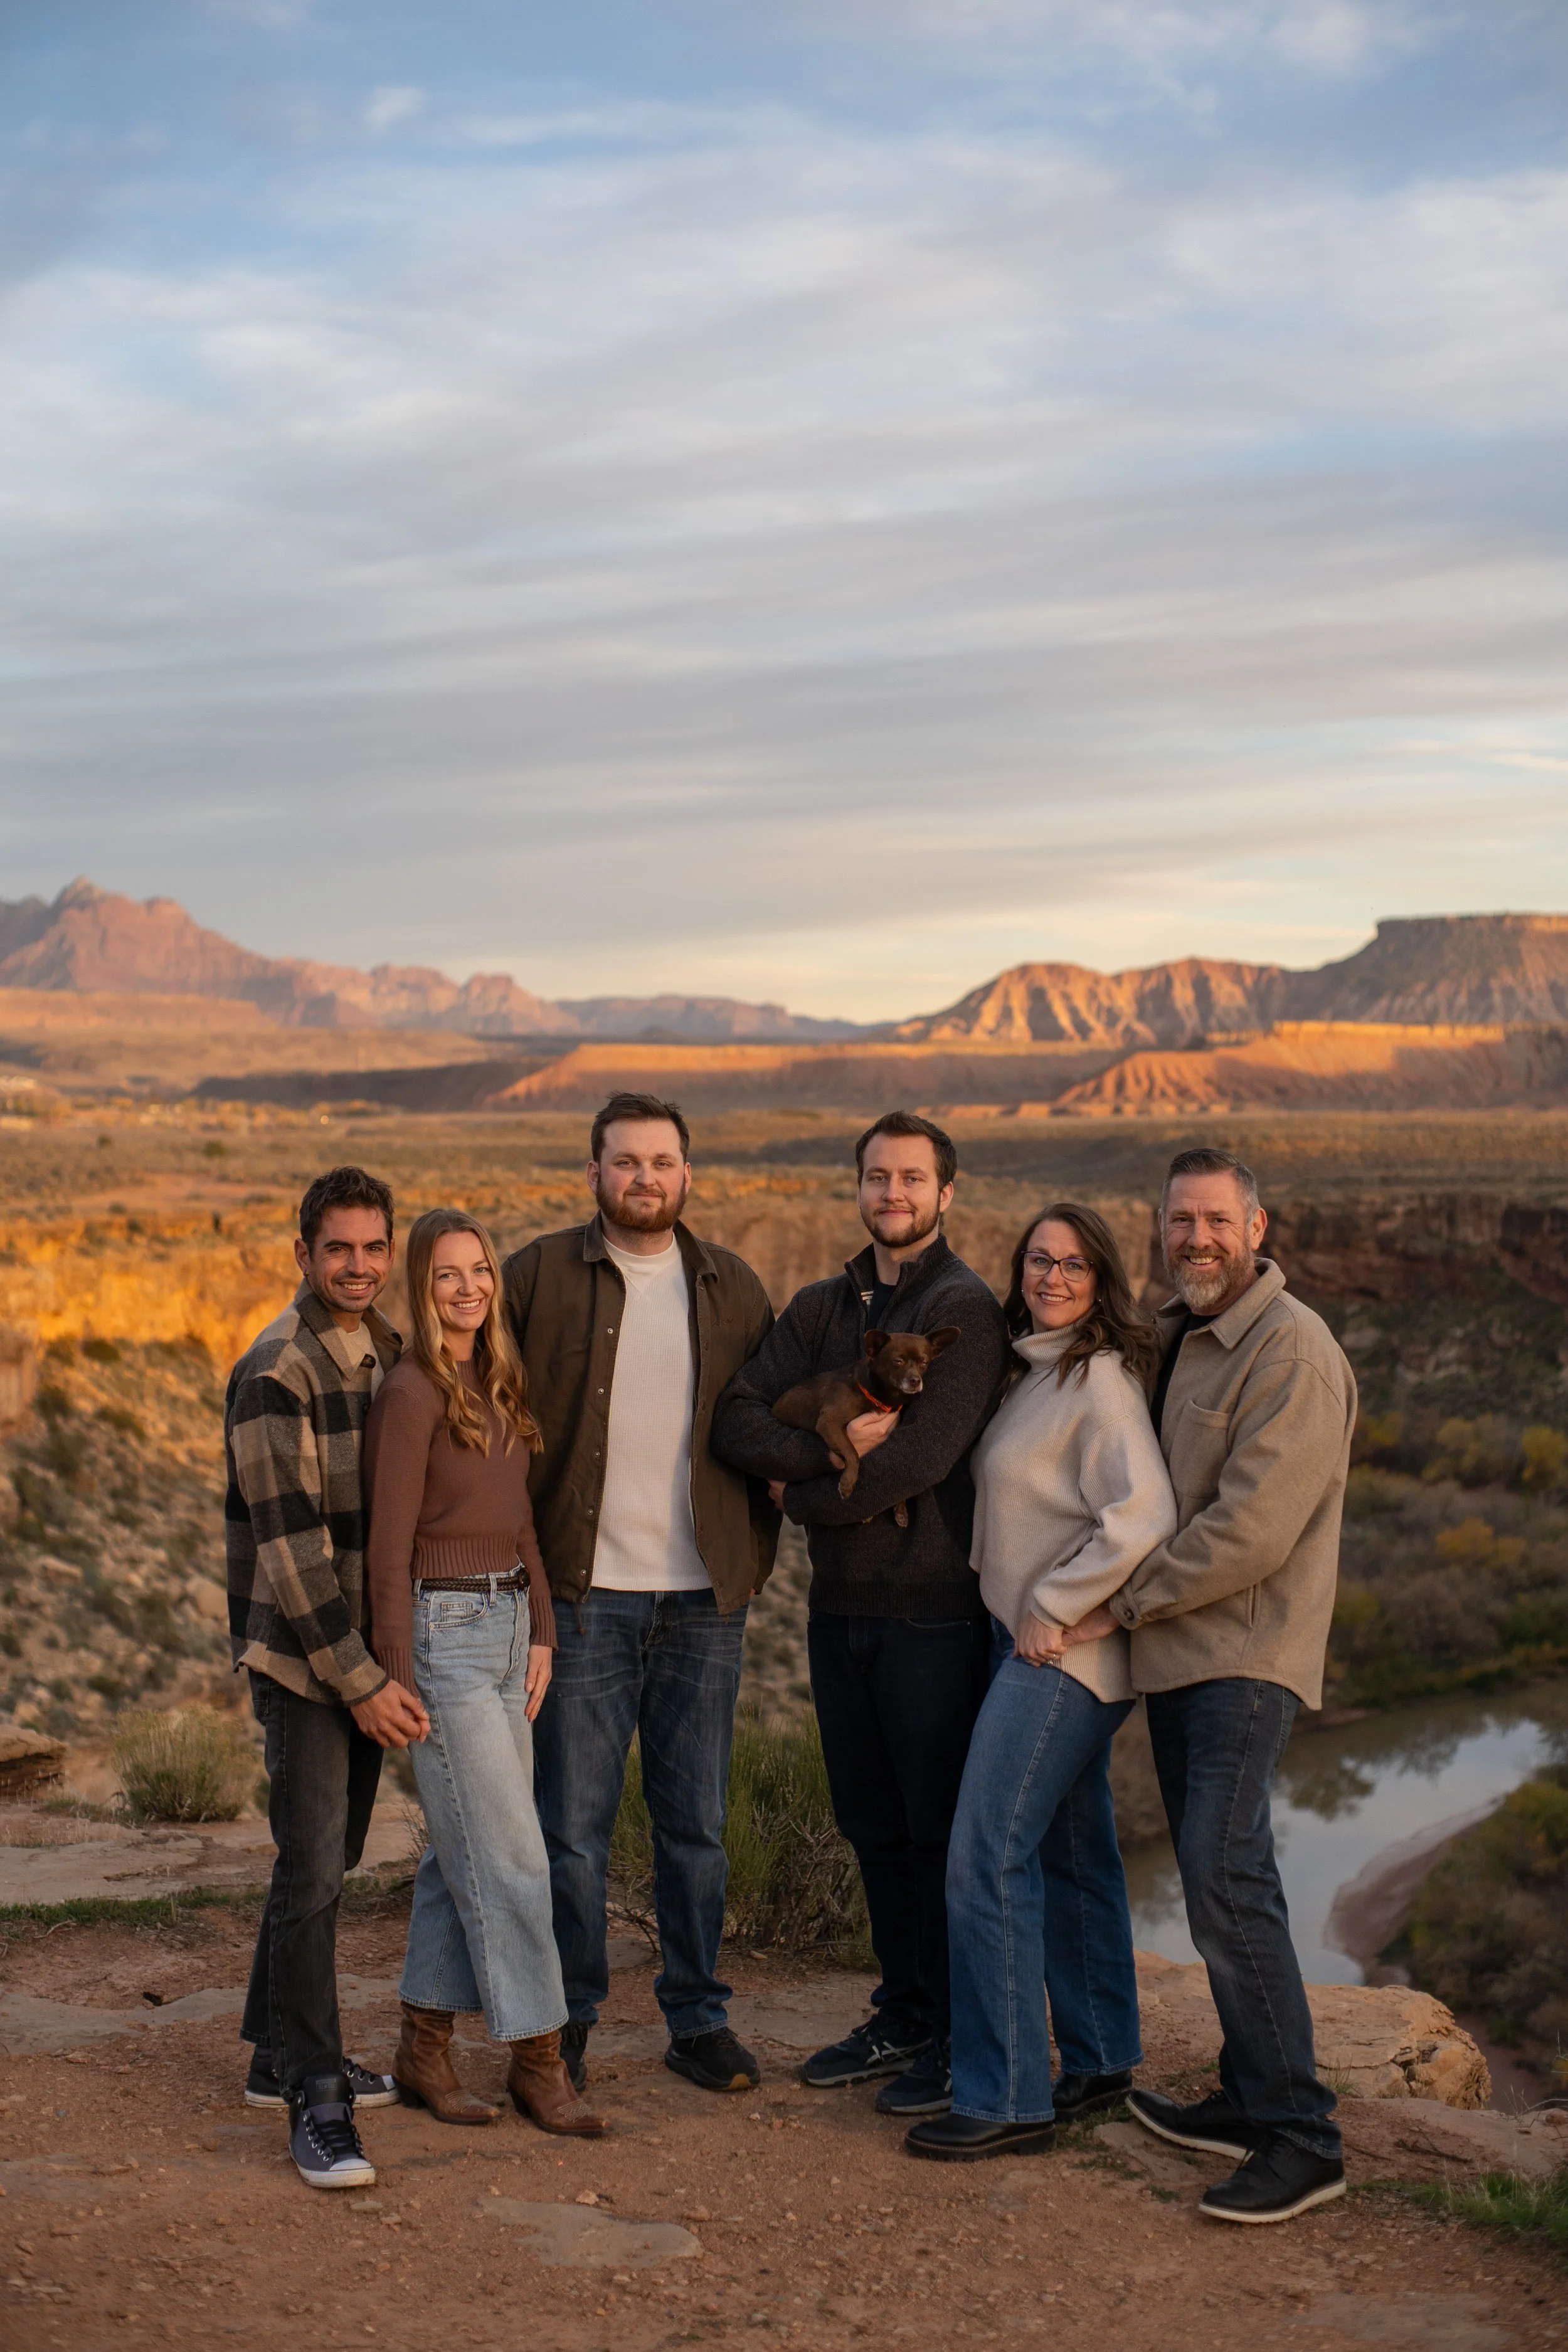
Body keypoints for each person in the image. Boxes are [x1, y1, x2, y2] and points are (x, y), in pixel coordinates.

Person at [1061, 1147, 1356, 2224]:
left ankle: (1301, 2135)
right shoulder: (1187, 1335)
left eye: (1216, 1221)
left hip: (1241, 1655)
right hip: (1188, 1659)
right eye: (1180, 1221)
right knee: (1209, 1872)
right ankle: (1245, 2092)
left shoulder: (1293, 1349)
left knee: (1230, 1879)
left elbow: (1249, 1528)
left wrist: (1119, 1604)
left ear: (1258, 1226)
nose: (1196, 1238)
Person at [712, 1111, 1012, 2119]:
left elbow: (920, 1461)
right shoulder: (820, 1307)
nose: (894, 1193)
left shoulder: (965, 1310)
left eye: (913, 1178)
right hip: (839, 1607)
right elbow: (738, 1420)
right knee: (871, 1824)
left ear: (946, 1194)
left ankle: (956, 2031)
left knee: (937, 1829)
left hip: (934, 1613)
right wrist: (829, 1452)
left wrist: (797, 1501)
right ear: (859, 1187)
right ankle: (903, 2008)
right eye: (878, 1176)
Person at [501, 1093, 779, 2095]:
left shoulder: (733, 1288)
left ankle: (697, 2019)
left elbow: (772, 1428)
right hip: (582, 1597)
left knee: (694, 1823)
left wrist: (756, 1551)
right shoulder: (537, 1275)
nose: (644, 1178)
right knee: (570, 1826)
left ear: (688, 1173)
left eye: (662, 1161)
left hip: (704, 1601)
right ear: (593, 1173)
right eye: (625, 1162)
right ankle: (564, 2023)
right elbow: (486, 1410)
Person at [905, 1204, 1174, 2161]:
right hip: (1027, 1646)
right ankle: (1100, 2055)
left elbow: (1143, 1516)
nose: (1052, 1276)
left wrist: (1055, 1602)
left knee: (986, 1851)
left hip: (1058, 1658)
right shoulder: (1040, 1366)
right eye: (1038, 1259)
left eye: (1073, 1264)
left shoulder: (1100, 1380)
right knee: (1071, 1849)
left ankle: (1007, 2094)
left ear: (1102, 1279)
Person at [364, 1209, 603, 2138]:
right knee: (512, 1854)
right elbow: (388, 1550)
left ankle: (423, 2043)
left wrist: (540, 1629)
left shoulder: (496, 1378)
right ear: (421, 1290)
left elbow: (519, 1523)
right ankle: (539, 2059)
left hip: (507, 1630)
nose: (467, 1289)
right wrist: (393, 1672)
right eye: (446, 1276)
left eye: (479, 1272)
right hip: (442, 1634)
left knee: (459, 1845)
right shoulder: (412, 1391)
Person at [226, 1165, 430, 2192]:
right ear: (302, 1252)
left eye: (372, 1247)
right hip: (306, 1659)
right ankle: (315, 2094)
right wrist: (361, 1679)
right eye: (337, 1248)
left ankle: (273, 2046)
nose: (357, 1265)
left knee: (329, 1854)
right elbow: (296, 1552)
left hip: (358, 1655)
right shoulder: (278, 1367)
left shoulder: (389, 1349)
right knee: (312, 1863)